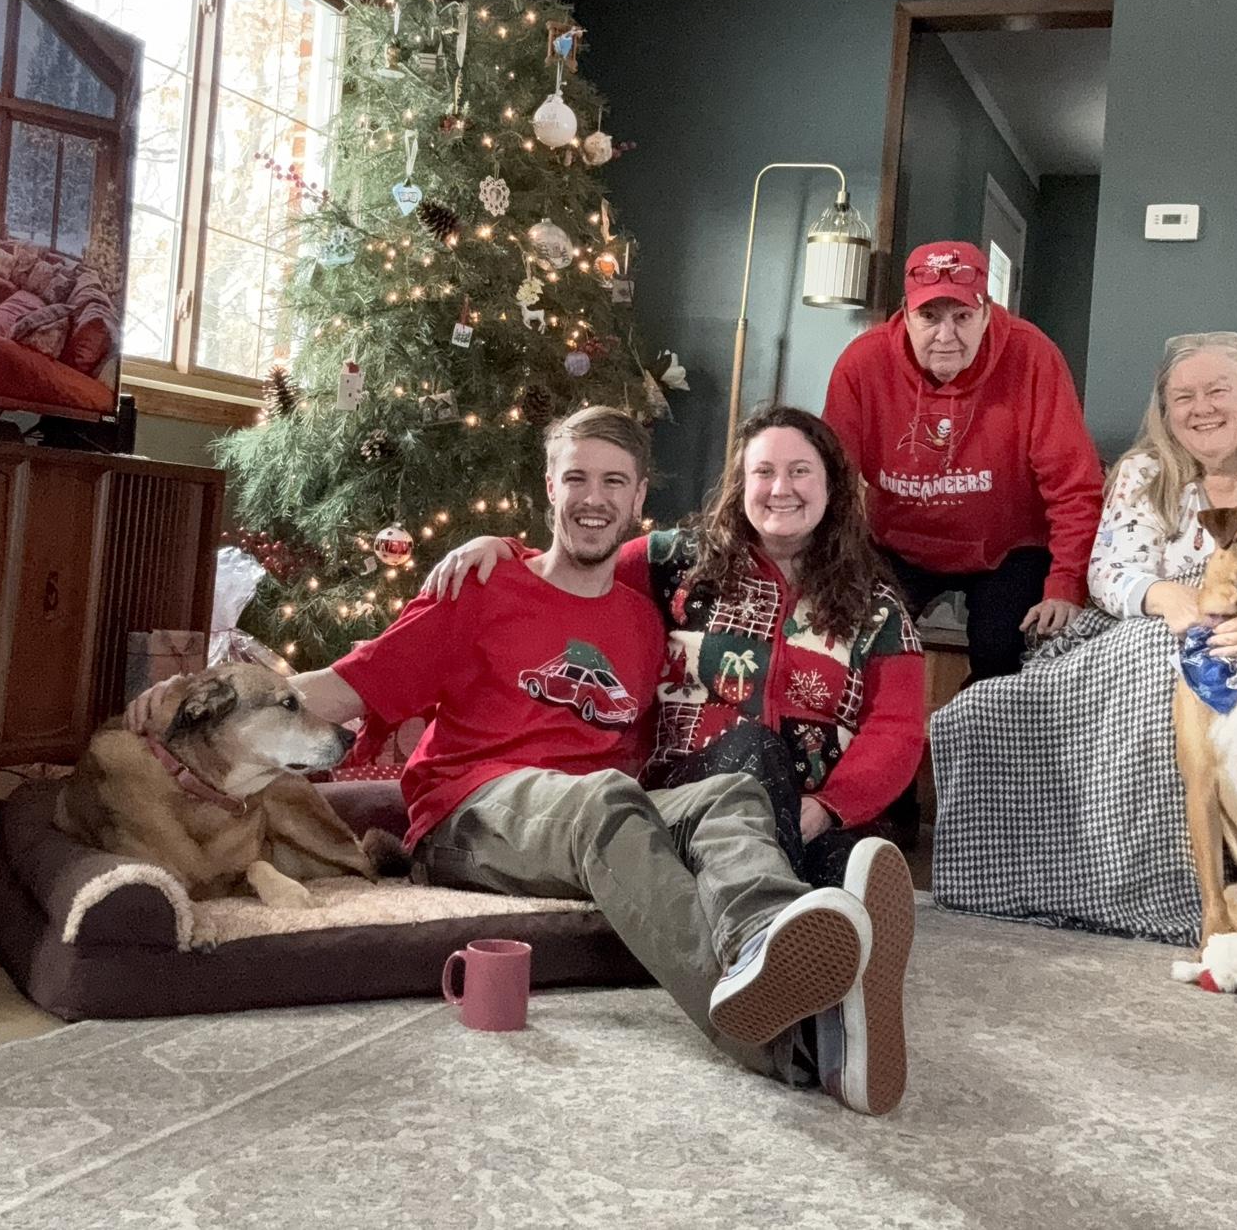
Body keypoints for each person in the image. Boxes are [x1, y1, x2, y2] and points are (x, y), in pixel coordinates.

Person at [127, 406, 914, 1116]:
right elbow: (342, 688)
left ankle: (764, 946)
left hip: (587, 817)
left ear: (640, 500)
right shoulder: (482, 585)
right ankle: (790, 1040)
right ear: (549, 486)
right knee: (605, 799)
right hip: (471, 817)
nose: (593, 498)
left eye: (614, 482)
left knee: (730, 790)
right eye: (576, 478)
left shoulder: (645, 621)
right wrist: (193, 703)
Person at [928, 331, 1237, 942]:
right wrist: (1167, 597)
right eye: (1183, 396)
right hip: (1160, 616)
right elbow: (1112, 570)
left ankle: (1187, 903)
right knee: (1003, 703)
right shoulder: (1145, 473)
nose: (1202, 408)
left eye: (1218, 390)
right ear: (1164, 410)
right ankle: (1086, 882)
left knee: (1170, 661)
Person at [426, 406, 926, 890]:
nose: (781, 489)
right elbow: (573, 573)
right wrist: (509, 551)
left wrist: (827, 807)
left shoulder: (875, 606)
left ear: (831, 486)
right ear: (741, 484)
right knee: (755, 747)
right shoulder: (676, 561)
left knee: (844, 864)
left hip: (817, 810)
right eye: (763, 472)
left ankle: (796, 934)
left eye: (800, 472)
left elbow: (896, 730)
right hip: (688, 793)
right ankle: (772, 918)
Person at [822, 239, 1104, 681]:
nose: (946, 335)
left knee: (1003, 655)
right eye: (929, 317)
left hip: (1011, 546)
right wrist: (826, 570)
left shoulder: (1034, 356)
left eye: (963, 317)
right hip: (899, 540)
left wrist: (1066, 584)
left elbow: (1075, 485)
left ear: (987, 313)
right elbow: (831, 482)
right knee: (855, 641)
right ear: (906, 314)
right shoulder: (862, 363)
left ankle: (977, 747)